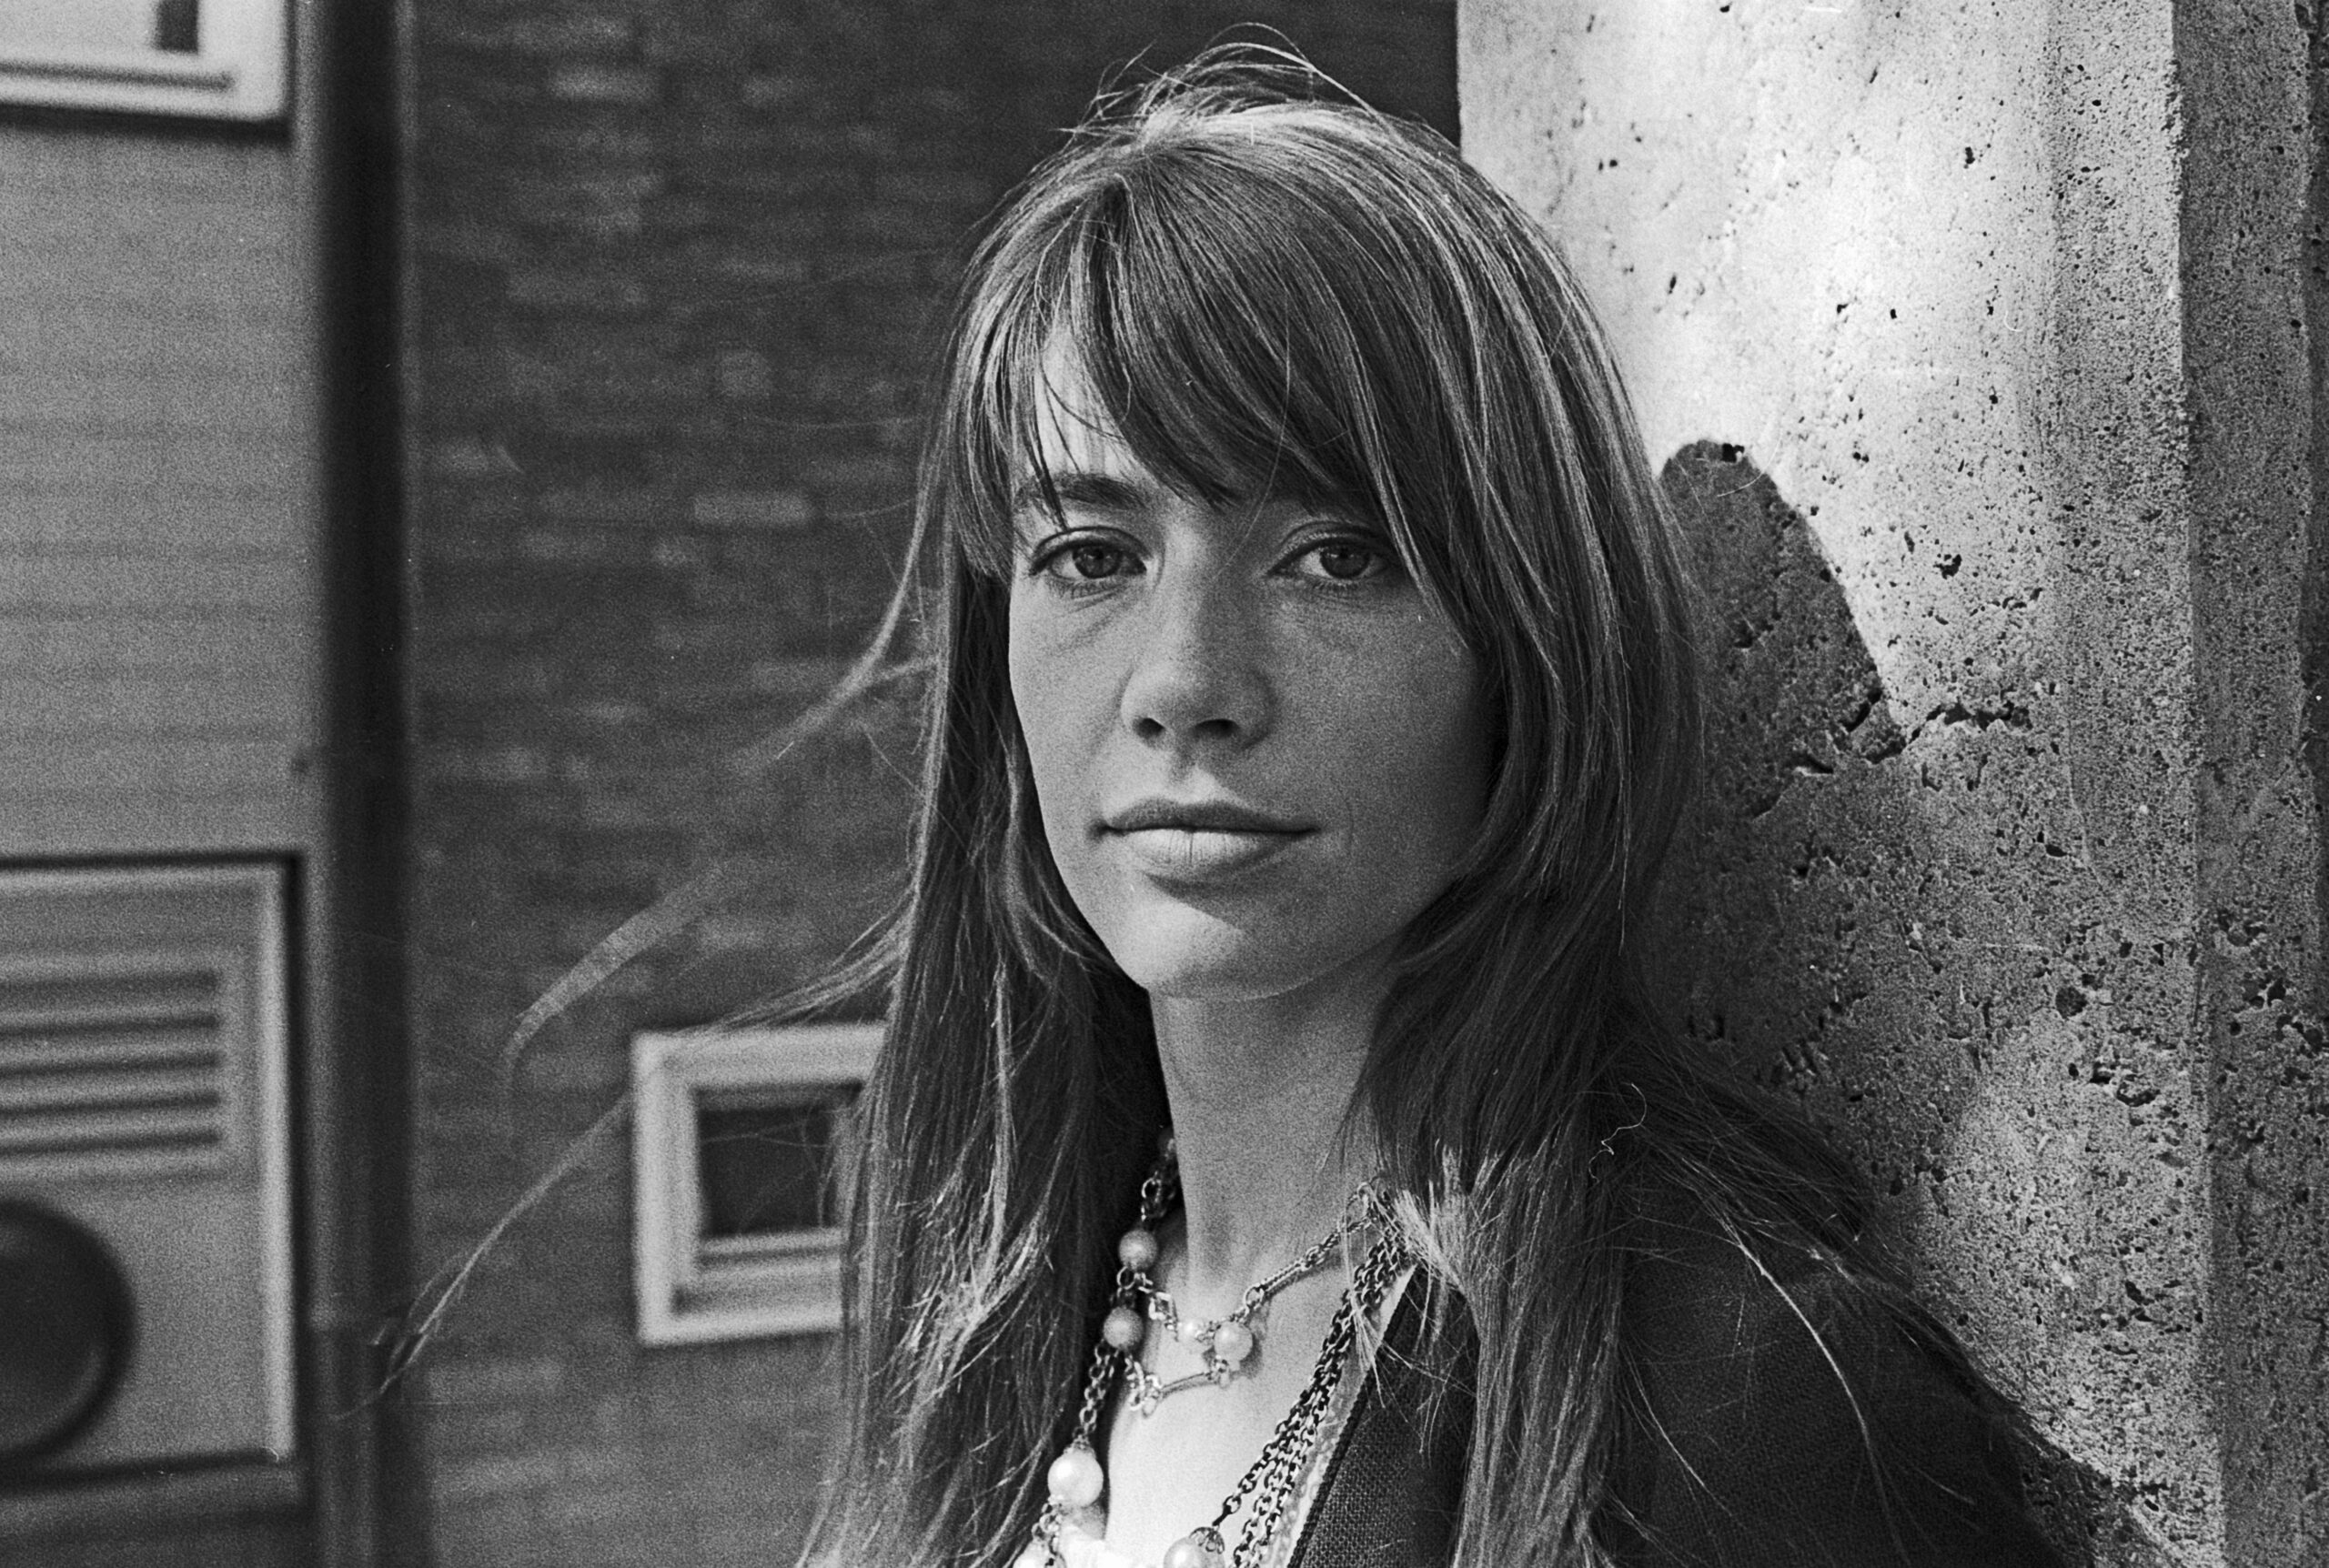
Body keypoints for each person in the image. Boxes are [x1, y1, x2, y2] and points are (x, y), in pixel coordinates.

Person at [802, 47, 2068, 1568]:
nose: (1186, 683)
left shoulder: (1733, 1414)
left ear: (1528, 652)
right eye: (1092, 555)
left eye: (1335, 556)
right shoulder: (1002, 1311)